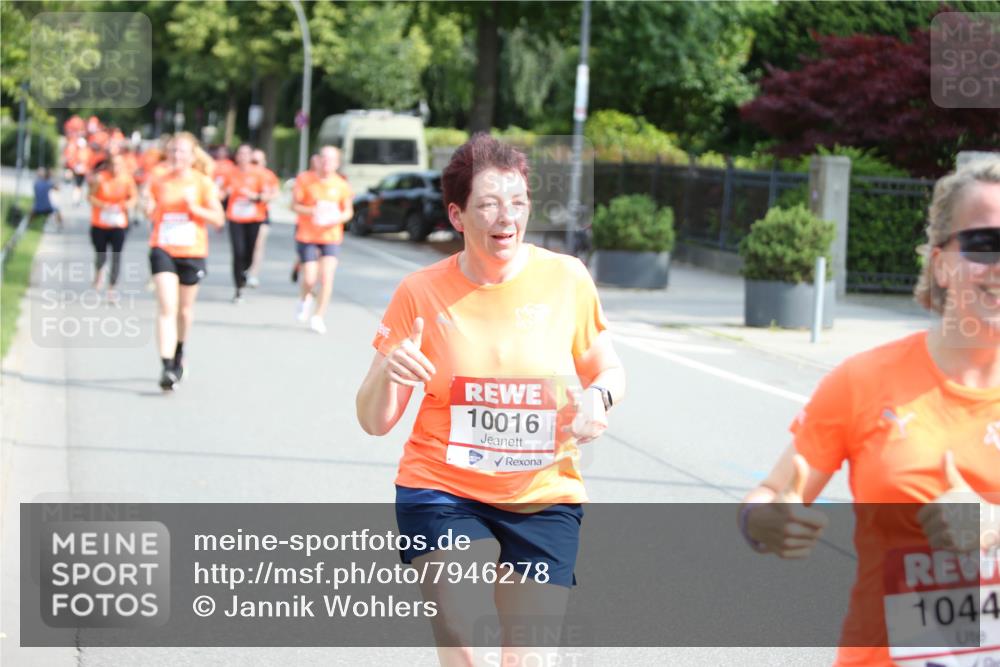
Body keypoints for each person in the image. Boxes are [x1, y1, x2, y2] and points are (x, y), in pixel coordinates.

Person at [356, 134, 626, 666]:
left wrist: (600, 397)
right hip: (442, 487)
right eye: (489, 204)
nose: (507, 217)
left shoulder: (565, 278)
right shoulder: (420, 291)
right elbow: (373, 420)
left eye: (519, 202)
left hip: (542, 491)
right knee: (463, 634)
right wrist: (390, 371)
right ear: (457, 216)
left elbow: (608, 369)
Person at [740, 158, 1000, 667]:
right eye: (983, 243)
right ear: (941, 263)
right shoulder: (864, 380)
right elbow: (772, 493)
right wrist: (765, 521)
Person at [146, 132, 224, 391]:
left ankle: (179, 351)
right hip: (162, 247)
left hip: (192, 251)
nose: (177, 156)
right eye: (173, 151)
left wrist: (195, 208)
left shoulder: (202, 182)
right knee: (167, 307)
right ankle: (167, 366)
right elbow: (150, 207)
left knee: (184, 311)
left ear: (192, 156)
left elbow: (218, 219)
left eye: (182, 152)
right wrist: (147, 206)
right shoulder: (159, 180)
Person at [291, 146, 352, 333]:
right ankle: (305, 298)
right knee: (310, 278)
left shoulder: (341, 184)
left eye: (331, 159)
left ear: (337, 163)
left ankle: (318, 316)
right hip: (307, 234)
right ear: (317, 159)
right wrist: (315, 211)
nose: (327, 162)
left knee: (326, 277)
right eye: (324, 158)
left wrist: (336, 217)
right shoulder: (305, 179)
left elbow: (348, 211)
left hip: (331, 236)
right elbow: (294, 205)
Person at [223, 144, 274, 303]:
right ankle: (238, 288)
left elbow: (268, 195)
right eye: (241, 153)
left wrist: (254, 196)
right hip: (235, 218)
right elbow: (218, 192)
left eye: (247, 153)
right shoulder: (229, 173)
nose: (243, 156)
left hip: (254, 217)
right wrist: (226, 193)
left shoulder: (260, 174)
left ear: (251, 156)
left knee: (251, 252)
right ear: (237, 156)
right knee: (238, 252)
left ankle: (246, 270)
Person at [87, 155, 137, 297]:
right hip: (100, 223)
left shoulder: (127, 179)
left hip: (118, 224)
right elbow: (90, 197)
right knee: (101, 254)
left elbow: (133, 198)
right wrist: (104, 205)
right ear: (108, 165)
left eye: (119, 165)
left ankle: (112, 287)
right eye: (113, 165)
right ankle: (99, 274)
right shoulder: (100, 178)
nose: (116, 168)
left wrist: (125, 205)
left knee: (116, 255)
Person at [246, 148, 280, 288]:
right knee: (245, 246)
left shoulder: (268, 175)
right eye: (253, 161)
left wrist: (261, 197)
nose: (255, 164)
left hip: (261, 214)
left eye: (258, 161)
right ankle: (244, 267)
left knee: (258, 244)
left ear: (264, 162)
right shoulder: (242, 174)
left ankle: (253, 274)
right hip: (242, 216)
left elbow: (276, 194)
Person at [289, 153, 321, 284]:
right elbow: (295, 203)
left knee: (318, 255)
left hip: (323, 227)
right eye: (314, 162)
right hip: (304, 225)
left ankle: (311, 281)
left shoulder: (331, 180)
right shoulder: (304, 178)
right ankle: (300, 269)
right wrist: (311, 210)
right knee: (306, 254)